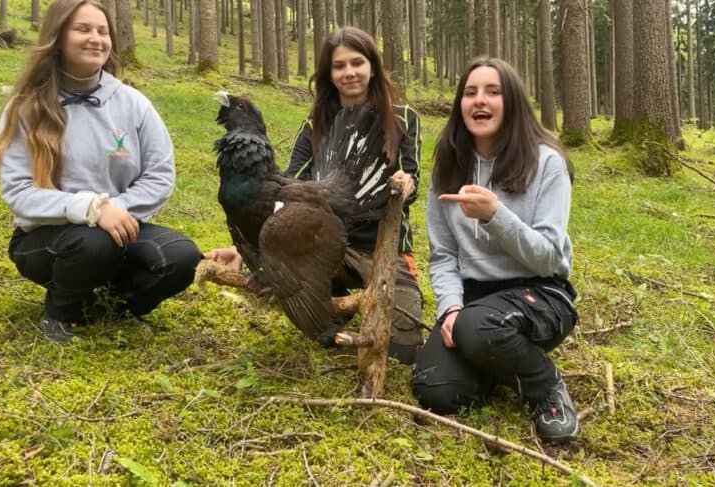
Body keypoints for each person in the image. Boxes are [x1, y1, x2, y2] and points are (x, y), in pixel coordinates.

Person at [0, 0, 203, 344]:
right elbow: (19, 193)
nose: (96, 39)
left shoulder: (133, 103)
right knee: (93, 243)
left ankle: (113, 309)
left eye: (103, 31)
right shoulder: (26, 108)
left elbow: (160, 175)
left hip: (119, 227)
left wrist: (113, 210)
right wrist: (89, 209)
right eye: (83, 29)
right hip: (45, 239)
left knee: (182, 257)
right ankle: (62, 313)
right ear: (57, 38)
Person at [206, 26, 424, 364]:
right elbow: (287, 186)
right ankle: (330, 296)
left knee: (402, 353)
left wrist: (404, 186)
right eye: (339, 66)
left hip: (383, 245)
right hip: (322, 242)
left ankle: (361, 297)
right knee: (312, 299)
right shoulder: (315, 123)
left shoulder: (403, 117)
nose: (349, 72)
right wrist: (248, 247)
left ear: (372, 66)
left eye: (357, 62)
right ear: (329, 74)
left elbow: (412, 179)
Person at [411, 57, 579, 444]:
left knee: (477, 327)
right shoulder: (449, 167)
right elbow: (443, 255)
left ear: (513, 101)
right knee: (437, 390)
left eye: (492, 92)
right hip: (474, 301)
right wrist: (450, 308)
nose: (479, 101)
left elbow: (550, 257)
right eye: (470, 93)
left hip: (540, 292)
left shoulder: (546, 163)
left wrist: (495, 216)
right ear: (460, 105)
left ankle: (546, 387)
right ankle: (493, 359)